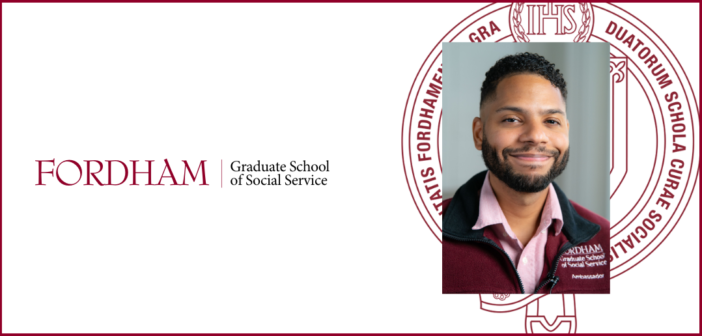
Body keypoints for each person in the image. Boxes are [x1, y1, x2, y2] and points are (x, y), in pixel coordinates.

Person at [442, 52, 610, 294]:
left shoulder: (608, 241)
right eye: (512, 119)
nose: (535, 135)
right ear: (479, 133)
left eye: (552, 121)